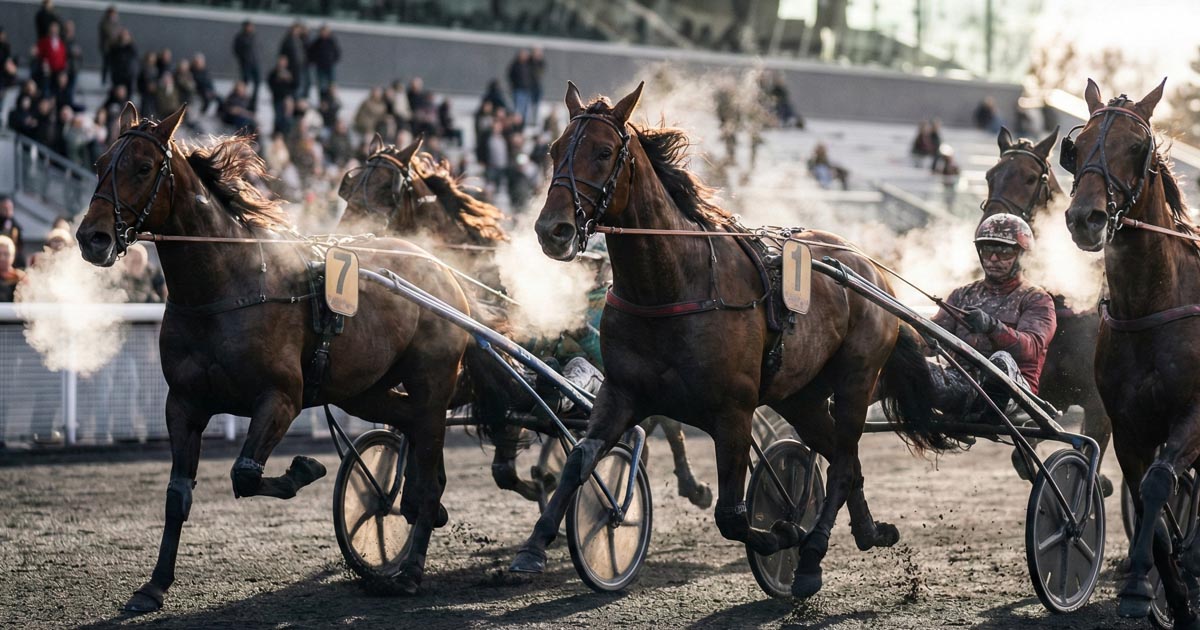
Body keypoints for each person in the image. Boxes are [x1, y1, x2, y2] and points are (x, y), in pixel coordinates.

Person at [929, 213, 1056, 419]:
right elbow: (931, 338)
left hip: (1014, 394)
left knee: (1001, 360)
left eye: (1004, 251)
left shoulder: (1037, 299)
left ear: (1022, 255)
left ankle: (985, 413)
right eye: (988, 250)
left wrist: (992, 327)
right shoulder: (962, 295)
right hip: (963, 387)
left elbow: (1032, 348)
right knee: (911, 366)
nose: (994, 259)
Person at [232, 21, 260, 111]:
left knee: (257, 82)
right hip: (246, 63)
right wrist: (243, 59)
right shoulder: (240, 37)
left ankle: (253, 102)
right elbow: (236, 50)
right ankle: (244, 101)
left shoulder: (252, 36)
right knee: (245, 83)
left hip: (254, 62)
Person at [307, 24, 339, 96]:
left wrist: (332, 60)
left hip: (329, 65)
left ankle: (332, 99)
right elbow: (311, 53)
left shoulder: (331, 41)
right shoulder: (317, 42)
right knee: (321, 84)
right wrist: (315, 61)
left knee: (332, 83)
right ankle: (323, 99)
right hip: (320, 66)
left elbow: (337, 52)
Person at [98, 5, 120, 85]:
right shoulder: (105, 22)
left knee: (113, 65)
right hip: (107, 48)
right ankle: (104, 81)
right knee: (106, 65)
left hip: (114, 48)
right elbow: (110, 33)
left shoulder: (115, 22)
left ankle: (111, 80)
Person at [0, 195, 24, 268]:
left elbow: (19, 245)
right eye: (4, 208)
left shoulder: (15, 226)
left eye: (10, 208)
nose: (8, 211)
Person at [0, 235, 23, 301]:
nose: (2, 258)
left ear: (13, 256)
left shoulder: (20, 278)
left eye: (6, 254)